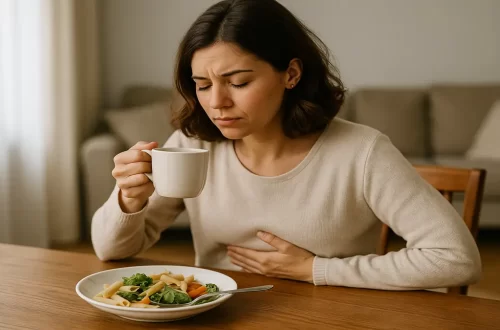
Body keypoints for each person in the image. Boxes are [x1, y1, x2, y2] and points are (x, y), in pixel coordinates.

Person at [92, 0, 481, 290]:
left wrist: (316, 270)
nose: (216, 103)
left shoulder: (362, 153)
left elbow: (456, 259)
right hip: (218, 314)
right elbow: (111, 252)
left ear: (291, 74)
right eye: (203, 85)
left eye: (239, 82)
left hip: (332, 315)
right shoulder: (193, 145)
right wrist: (127, 201)